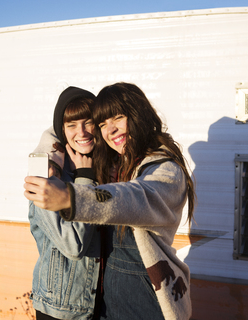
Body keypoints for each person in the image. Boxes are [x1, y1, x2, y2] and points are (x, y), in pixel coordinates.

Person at [24, 82, 196, 320]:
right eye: (103, 123)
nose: (110, 130)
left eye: (117, 118)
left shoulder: (163, 170)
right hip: (83, 307)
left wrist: (72, 195)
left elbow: (134, 197)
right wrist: (48, 152)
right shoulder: (51, 176)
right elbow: (62, 129)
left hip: (144, 303)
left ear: (138, 115)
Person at [28, 86, 101, 320]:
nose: (82, 132)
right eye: (71, 125)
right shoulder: (47, 177)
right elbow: (73, 245)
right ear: (62, 131)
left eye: (88, 122)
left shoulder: (102, 169)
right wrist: (84, 179)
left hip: (100, 306)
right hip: (61, 311)